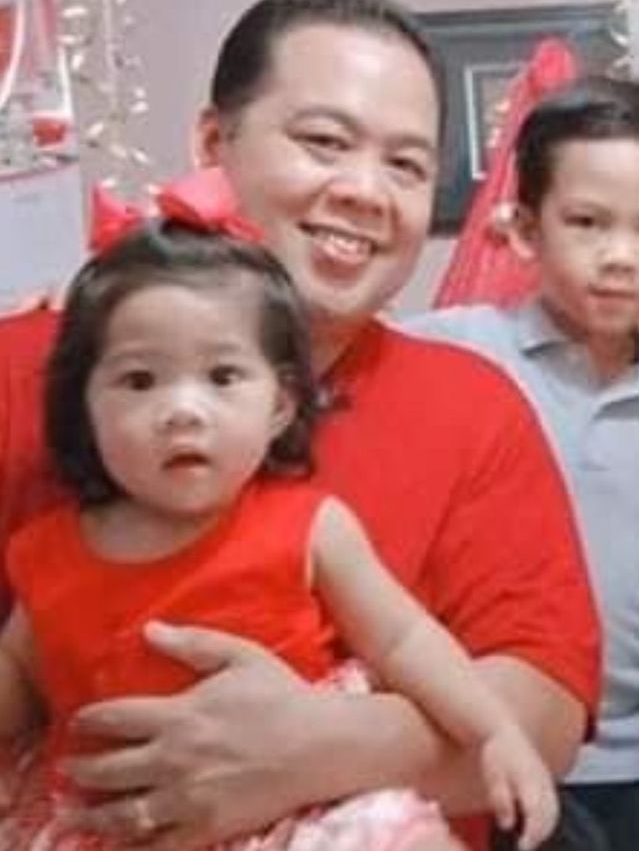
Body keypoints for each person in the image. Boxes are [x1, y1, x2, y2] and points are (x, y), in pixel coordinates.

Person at [0, 0, 599, 850]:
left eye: (406, 166)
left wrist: (311, 750)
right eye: (324, 142)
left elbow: (545, 706)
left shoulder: (472, 404)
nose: (364, 191)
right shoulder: (29, 368)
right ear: (214, 144)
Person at [0, 211, 562, 850]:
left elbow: (404, 641)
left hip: (300, 818)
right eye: (138, 381)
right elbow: (18, 674)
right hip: (113, 823)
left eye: (222, 377)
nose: (182, 411)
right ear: (85, 406)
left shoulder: (307, 526)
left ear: (280, 404)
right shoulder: (47, 549)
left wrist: (493, 733)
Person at [404, 75, 639, 850]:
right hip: (495, 743)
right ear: (525, 229)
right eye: (587, 222)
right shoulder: (453, 351)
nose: (620, 256)